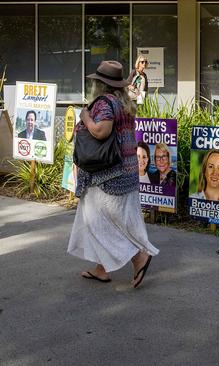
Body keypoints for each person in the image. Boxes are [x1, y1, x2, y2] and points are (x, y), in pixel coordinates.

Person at [67, 60, 159, 288]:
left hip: (106, 175)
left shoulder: (104, 103)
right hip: (126, 171)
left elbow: (101, 131)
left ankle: (139, 257)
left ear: (99, 84)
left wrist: (85, 117)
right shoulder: (123, 103)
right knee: (115, 219)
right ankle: (101, 268)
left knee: (99, 221)